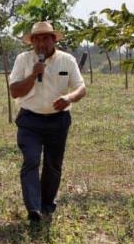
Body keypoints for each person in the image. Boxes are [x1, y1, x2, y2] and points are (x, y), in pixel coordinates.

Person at [9, 21, 87, 223]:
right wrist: (34, 74)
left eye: (46, 38)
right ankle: (33, 208)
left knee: (53, 165)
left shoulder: (67, 60)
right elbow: (15, 91)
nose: (41, 43)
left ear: (54, 40)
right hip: (30, 120)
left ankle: (46, 204)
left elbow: (81, 88)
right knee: (32, 160)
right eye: (37, 39)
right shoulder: (23, 60)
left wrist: (69, 98)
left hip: (58, 120)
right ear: (32, 42)